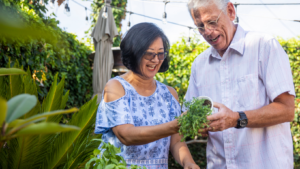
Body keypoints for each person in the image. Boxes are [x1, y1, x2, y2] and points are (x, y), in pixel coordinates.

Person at [185, 0, 295, 168]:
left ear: (230, 11)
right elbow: (191, 115)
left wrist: (236, 119)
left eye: (212, 21)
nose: (207, 31)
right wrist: (197, 126)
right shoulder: (199, 65)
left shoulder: (264, 46)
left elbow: (287, 110)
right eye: (200, 26)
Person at [94, 22, 199, 169]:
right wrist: (174, 126)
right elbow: (126, 135)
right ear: (134, 53)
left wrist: (188, 163)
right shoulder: (116, 87)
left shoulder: (169, 94)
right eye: (149, 54)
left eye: (160, 53)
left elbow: (176, 142)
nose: (156, 60)